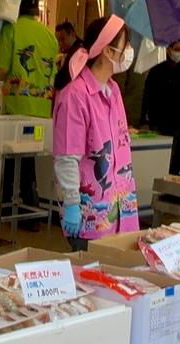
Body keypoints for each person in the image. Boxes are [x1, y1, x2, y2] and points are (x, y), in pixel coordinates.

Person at [52, 15, 138, 251]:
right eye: (125, 46)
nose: (129, 52)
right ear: (108, 51)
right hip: (89, 214)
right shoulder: (75, 95)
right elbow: (67, 155)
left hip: (120, 210)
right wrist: (71, 203)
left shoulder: (113, 90)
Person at [0, 0, 58, 231]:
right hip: (42, 109)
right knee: (27, 159)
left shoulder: (11, 29)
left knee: (11, 158)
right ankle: (30, 213)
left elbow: (1, 68)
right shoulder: (49, 35)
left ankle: (11, 211)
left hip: (17, 107)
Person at [140, 39, 180, 175]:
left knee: (176, 165)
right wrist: (144, 121)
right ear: (168, 49)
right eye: (177, 49)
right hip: (159, 125)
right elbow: (147, 97)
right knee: (158, 163)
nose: (179, 53)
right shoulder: (156, 70)